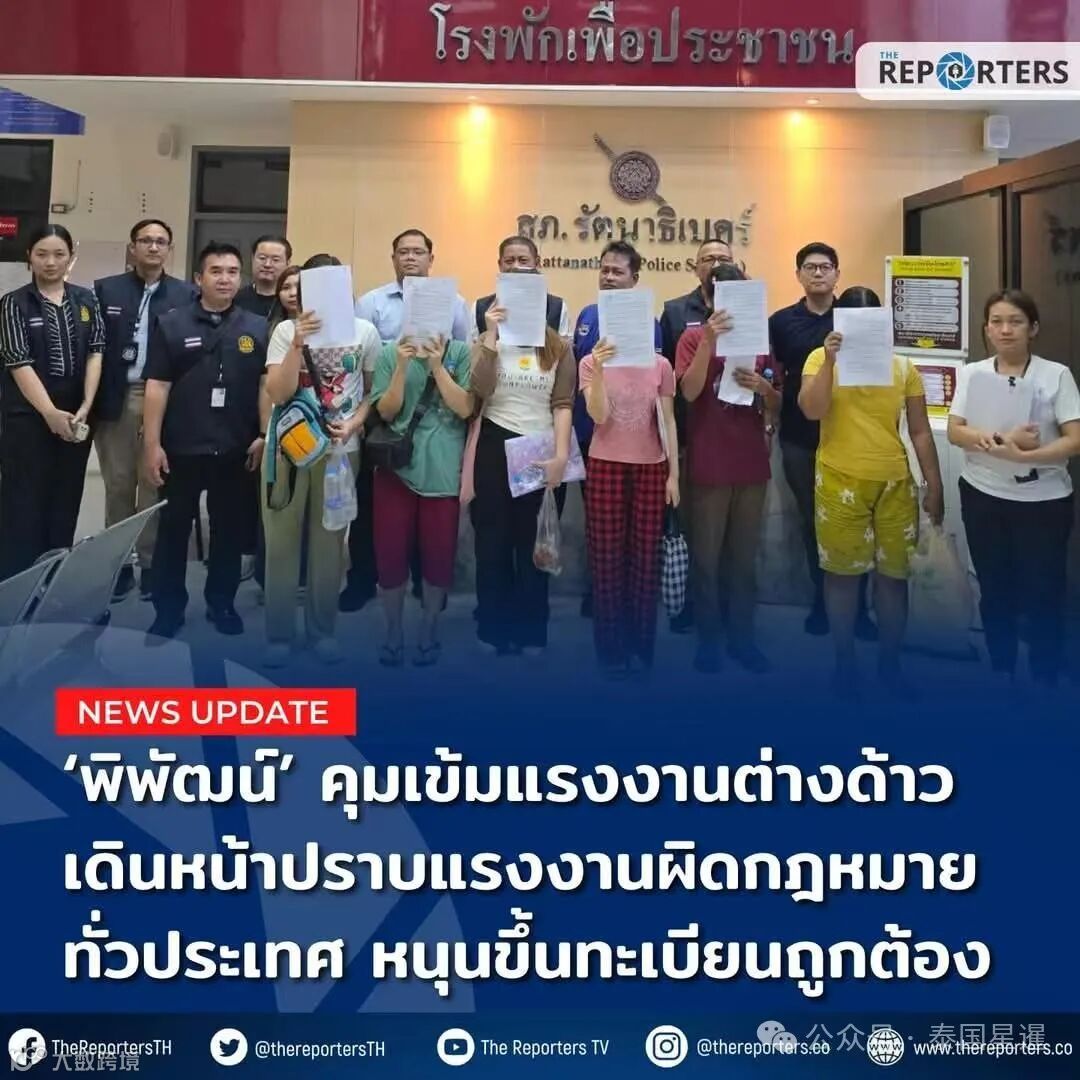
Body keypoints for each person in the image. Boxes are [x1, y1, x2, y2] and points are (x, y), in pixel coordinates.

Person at [798, 286, 944, 698]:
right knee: (841, 576)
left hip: (894, 480)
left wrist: (934, 484)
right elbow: (811, 409)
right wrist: (831, 361)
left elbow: (919, 430)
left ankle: (890, 663)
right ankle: (845, 663)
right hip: (839, 478)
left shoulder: (902, 367)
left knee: (893, 578)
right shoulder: (818, 359)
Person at [948, 289, 1080, 688]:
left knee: (1044, 590)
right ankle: (1002, 667)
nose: (1005, 330)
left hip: (1043, 500)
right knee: (993, 586)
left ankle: (1044, 675)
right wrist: (997, 439)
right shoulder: (973, 373)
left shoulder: (1055, 375)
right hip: (983, 493)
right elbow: (955, 431)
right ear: (987, 328)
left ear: (1032, 328)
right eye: (997, 322)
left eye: (1016, 322)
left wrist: (1025, 456)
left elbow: (1074, 440)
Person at [142, 241, 268, 639]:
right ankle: (168, 609)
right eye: (216, 271)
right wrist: (152, 444)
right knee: (173, 530)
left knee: (228, 530)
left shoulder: (256, 326)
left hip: (235, 447)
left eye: (232, 272)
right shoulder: (171, 323)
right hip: (181, 446)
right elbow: (157, 386)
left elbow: (264, 385)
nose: (225, 279)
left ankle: (222, 603)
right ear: (199, 278)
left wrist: (263, 434)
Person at [262, 255, 381, 667]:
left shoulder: (365, 332)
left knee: (330, 545)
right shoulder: (285, 331)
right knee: (281, 544)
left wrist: (355, 424)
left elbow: (371, 392)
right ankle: (279, 634)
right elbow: (277, 393)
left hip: (341, 452)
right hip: (290, 450)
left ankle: (322, 630)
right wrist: (298, 342)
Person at [344, 229, 469, 612]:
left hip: (438, 421)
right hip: (384, 411)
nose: (411, 258)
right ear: (393, 257)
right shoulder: (372, 302)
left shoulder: (454, 303)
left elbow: (461, 352)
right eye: (403, 252)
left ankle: (424, 589)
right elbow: (359, 354)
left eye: (418, 252)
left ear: (431, 258)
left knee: (431, 528)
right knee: (379, 518)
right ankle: (366, 582)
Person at [676, 262, 782, 675]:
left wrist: (765, 389)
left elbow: (776, 400)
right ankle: (708, 639)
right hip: (709, 455)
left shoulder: (759, 339)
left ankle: (743, 638)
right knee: (706, 556)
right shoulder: (692, 336)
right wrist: (708, 340)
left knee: (743, 557)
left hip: (750, 457)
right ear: (710, 297)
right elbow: (688, 392)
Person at [770, 242, 875, 639]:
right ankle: (822, 601)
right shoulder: (781, 322)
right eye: (810, 267)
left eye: (826, 267)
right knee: (813, 522)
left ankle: (859, 609)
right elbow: (774, 375)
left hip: (851, 435)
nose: (818, 273)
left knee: (856, 522)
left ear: (837, 274)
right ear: (798, 274)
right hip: (800, 437)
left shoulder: (856, 315)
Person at [94, 218, 197, 602]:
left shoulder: (185, 294)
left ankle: (152, 565)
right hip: (117, 396)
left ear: (170, 248)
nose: (153, 247)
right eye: (146, 240)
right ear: (132, 246)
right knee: (119, 485)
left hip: (163, 398)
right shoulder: (106, 290)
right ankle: (118, 565)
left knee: (154, 484)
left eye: (160, 241)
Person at [468, 299, 575, 655]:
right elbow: (478, 390)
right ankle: (492, 627)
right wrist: (491, 336)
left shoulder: (558, 346)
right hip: (493, 446)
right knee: (492, 543)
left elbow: (563, 404)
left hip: (539, 449)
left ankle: (531, 630)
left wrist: (561, 456)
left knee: (534, 546)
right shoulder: (489, 341)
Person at [0, 225, 104, 579]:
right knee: (24, 501)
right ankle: (17, 581)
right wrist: (48, 412)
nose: (50, 262)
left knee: (66, 498)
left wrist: (86, 404)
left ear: (71, 258)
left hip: (76, 416)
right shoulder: (14, 303)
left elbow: (96, 352)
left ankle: (53, 577)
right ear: (29, 257)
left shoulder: (87, 300)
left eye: (59, 254)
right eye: (42, 254)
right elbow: (18, 362)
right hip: (27, 417)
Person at [370, 333, 473, 666]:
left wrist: (437, 367)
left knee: (438, 556)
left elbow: (465, 408)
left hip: (442, 469)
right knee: (390, 554)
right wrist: (401, 367)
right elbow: (385, 412)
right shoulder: (391, 353)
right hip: (396, 469)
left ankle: (429, 630)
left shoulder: (461, 352)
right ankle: (393, 631)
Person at [579, 333, 679, 678]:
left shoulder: (660, 365)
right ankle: (610, 651)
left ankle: (640, 649)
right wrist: (600, 369)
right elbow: (598, 415)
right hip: (605, 465)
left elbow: (668, 421)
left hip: (651, 467)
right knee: (606, 560)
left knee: (645, 562)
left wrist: (674, 475)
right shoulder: (590, 363)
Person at [572, 240, 662, 617]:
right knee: (600, 526)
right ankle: (599, 592)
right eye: (604, 270)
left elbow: (654, 382)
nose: (608, 277)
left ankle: (632, 600)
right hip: (590, 435)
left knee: (637, 529)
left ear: (634, 278)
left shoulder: (649, 323)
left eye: (617, 271)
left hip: (636, 444)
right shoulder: (587, 315)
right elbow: (576, 368)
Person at [659, 237, 737, 634]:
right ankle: (689, 604)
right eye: (708, 259)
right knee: (692, 528)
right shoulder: (675, 311)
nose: (715, 264)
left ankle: (727, 610)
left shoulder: (749, 310)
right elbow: (667, 377)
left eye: (723, 258)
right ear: (695, 267)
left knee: (732, 538)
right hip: (690, 433)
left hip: (736, 435)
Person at [472, 235, 570, 339]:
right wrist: (491, 333)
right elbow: (474, 347)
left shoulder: (557, 308)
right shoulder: (480, 308)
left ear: (536, 263)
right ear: (500, 265)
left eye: (523, 260)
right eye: (509, 261)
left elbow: (564, 347)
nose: (516, 266)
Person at [235, 235, 292, 318]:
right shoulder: (236, 299)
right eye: (262, 258)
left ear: (288, 263)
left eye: (275, 260)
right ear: (252, 259)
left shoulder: (293, 300)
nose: (267, 264)